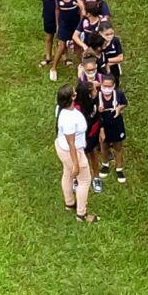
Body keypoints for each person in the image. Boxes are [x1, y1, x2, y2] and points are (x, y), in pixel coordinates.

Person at [55, 86, 96, 221]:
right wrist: (76, 164)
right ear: (71, 98)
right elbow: (71, 143)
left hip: (62, 148)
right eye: (74, 93)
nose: (76, 93)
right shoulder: (69, 119)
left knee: (67, 173)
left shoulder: (62, 110)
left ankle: (69, 203)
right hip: (72, 151)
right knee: (84, 180)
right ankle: (81, 214)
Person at [95, 71, 128, 183]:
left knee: (118, 147)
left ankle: (119, 168)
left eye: (109, 86)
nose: (107, 89)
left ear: (113, 86)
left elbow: (124, 103)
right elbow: (93, 111)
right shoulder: (97, 95)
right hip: (103, 124)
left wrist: (119, 108)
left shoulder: (118, 93)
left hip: (116, 123)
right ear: (101, 84)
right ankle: (105, 165)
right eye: (105, 86)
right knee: (104, 145)